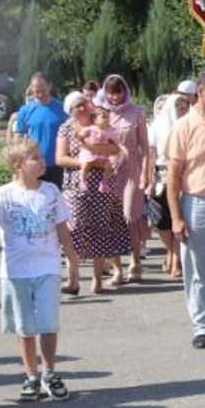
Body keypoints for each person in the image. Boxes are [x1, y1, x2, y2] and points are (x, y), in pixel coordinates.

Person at [0, 137, 78, 402]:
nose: (42, 161)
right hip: (16, 272)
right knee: (26, 328)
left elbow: (63, 230)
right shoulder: (5, 194)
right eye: (35, 158)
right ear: (17, 165)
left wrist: (72, 262)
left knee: (49, 324)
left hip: (48, 268)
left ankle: (49, 373)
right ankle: (31, 375)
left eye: (41, 156)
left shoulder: (51, 192)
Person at [166, 70, 205, 349]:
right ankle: (203, 326)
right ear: (200, 93)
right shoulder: (185, 126)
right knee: (198, 271)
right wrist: (176, 217)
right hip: (198, 203)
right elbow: (173, 175)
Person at [57, 91, 130, 294]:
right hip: (75, 185)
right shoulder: (66, 128)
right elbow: (60, 158)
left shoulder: (100, 122)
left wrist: (94, 153)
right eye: (76, 106)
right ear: (70, 111)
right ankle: (73, 280)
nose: (82, 108)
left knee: (100, 229)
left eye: (84, 103)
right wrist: (86, 163)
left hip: (101, 186)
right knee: (74, 229)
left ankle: (97, 279)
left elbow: (115, 149)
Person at [95, 75, 150, 282]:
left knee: (129, 214)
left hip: (132, 169)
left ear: (125, 91)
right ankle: (116, 266)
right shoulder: (101, 113)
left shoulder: (137, 112)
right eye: (110, 93)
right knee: (112, 217)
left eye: (118, 92)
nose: (114, 97)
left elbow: (145, 146)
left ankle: (135, 259)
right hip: (109, 171)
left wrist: (146, 173)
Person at [148, 82, 194, 276]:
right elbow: (151, 156)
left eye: (185, 107)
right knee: (160, 219)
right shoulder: (157, 126)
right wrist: (148, 181)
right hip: (161, 174)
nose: (182, 110)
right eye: (179, 107)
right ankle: (170, 251)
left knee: (179, 214)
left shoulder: (189, 126)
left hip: (184, 173)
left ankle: (176, 259)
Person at [13, 73, 69, 188]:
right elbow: (18, 137)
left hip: (57, 163)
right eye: (36, 92)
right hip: (34, 163)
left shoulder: (62, 109)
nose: (39, 95)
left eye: (43, 91)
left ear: (50, 86)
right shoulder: (25, 111)